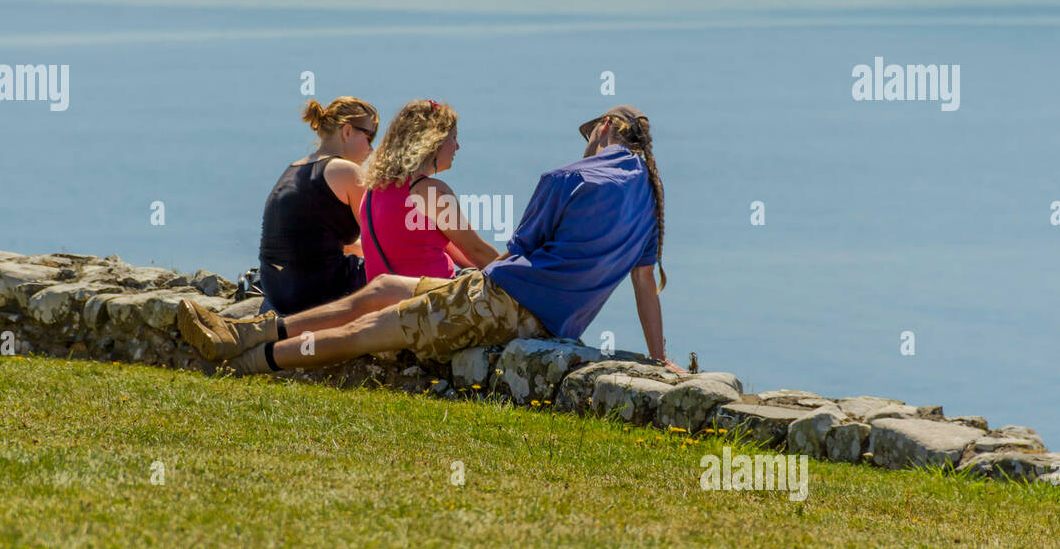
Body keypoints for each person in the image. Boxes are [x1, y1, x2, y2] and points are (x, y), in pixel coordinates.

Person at [180, 104, 686, 376]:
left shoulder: (567, 178)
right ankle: (245, 336)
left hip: (505, 303)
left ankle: (245, 359)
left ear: (605, 129)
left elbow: (518, 253)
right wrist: (658, 355)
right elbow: (644, 284)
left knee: (369, 325)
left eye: (591, 135)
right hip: (518, 302)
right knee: (380, 297)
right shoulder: (649, 203)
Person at [255, 96, 378, 316]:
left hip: (277, 292)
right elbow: (379, 242)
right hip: (320, 293)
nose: (371, 149)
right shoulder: (347, 172)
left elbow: (315, 242)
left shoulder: (293, 168)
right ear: (347, 131)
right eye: (369, 137)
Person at [359, 98, 498, 281]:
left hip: (387, 298)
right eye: (453, 138)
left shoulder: (375, 188)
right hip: (430, 301)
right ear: (434, 142)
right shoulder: (430, 191)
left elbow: (462, 253)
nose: (457, 146)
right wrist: (523, 272)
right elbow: (477, 251)